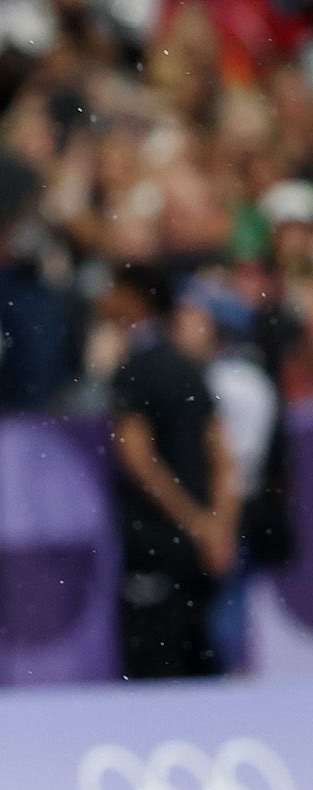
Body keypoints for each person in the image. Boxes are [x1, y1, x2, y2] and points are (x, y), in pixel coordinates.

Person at [97, 263, 236, 681]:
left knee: (155, 675)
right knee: (200, 664)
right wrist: (218, 527)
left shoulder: (135, 370)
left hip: (155, 548)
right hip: (196, 555)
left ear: (136, 299)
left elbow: (139, 461)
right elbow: (224, 459)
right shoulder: (190, 367)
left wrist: (194, 524)